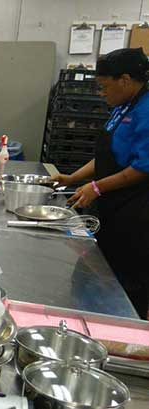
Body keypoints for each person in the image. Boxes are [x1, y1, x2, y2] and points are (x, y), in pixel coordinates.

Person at [55, 47, 149, 319]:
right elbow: (108, 156)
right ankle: (87, 319)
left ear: (125, 79)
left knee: (124, 286)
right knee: (97, 273)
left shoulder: (146, 109)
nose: (101, 93)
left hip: (135, 214)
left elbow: (144, 167)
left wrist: (97, 187)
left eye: (105, 86)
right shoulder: (123, 106)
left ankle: (125, 340)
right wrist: (73, 178)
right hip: (111, 207)